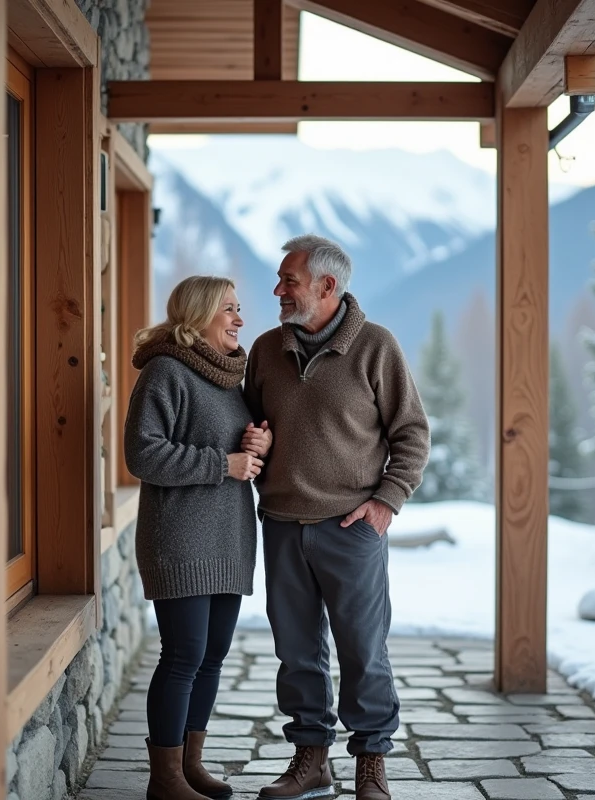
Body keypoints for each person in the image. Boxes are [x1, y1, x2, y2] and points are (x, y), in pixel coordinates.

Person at [243, 235, 430, 800]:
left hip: (352, 528)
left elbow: (412, 433)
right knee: (296, 651)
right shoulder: (265, 350)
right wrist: (253, 439)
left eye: (289, 281)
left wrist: (387, 501)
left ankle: (371, 761)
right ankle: (311, 759)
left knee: (362, 650)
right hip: (281, 524)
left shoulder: (376, 347)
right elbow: (250, 422)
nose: (277, 290)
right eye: (279, 280)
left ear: (327, 287)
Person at [124, 275, 272, 800]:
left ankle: (190, 765)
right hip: (180, 537)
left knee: (211, 656)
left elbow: (241, 453)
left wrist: (259, 442)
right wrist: (222, 462)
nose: (239, 319)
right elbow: (142, 453)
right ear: (199, 315)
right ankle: (163, 778)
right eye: (228, 309)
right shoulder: (166, 372)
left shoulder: (233, 378)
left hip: (228, 536)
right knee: (183, 653)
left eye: (238, 308)